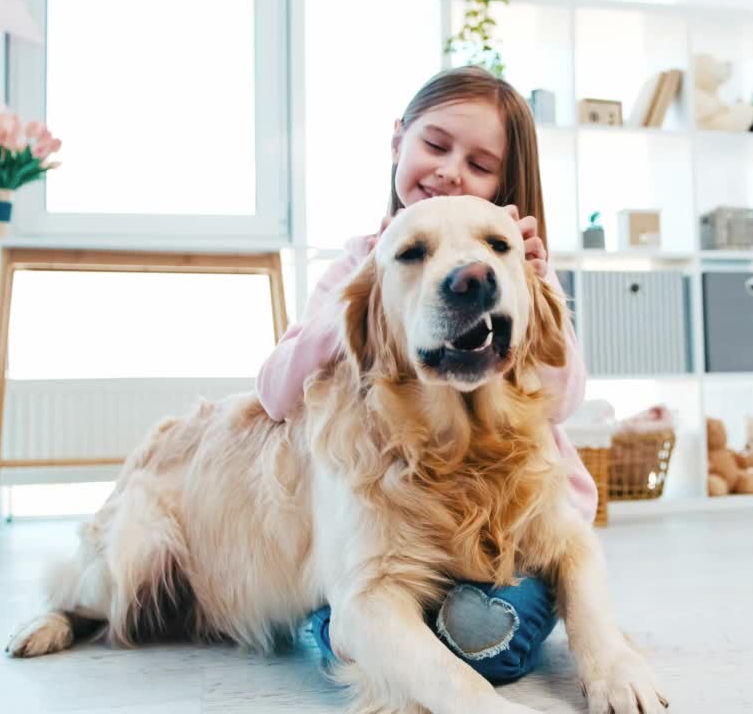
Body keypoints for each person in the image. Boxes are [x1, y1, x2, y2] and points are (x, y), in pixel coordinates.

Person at [255, 66, 597, 684]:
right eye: (436, 146)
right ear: (398, 142)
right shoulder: (358, 266)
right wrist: (379, 283)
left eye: (479, 163)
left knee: (496, 641)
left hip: (514, 515)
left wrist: (532, 284)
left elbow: (563, 398)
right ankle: (350, 623)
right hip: (402, 499)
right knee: (378, 603)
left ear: (503, 184)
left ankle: (365, 630)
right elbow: (276, 393)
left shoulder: (511, 263)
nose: (449, 171)